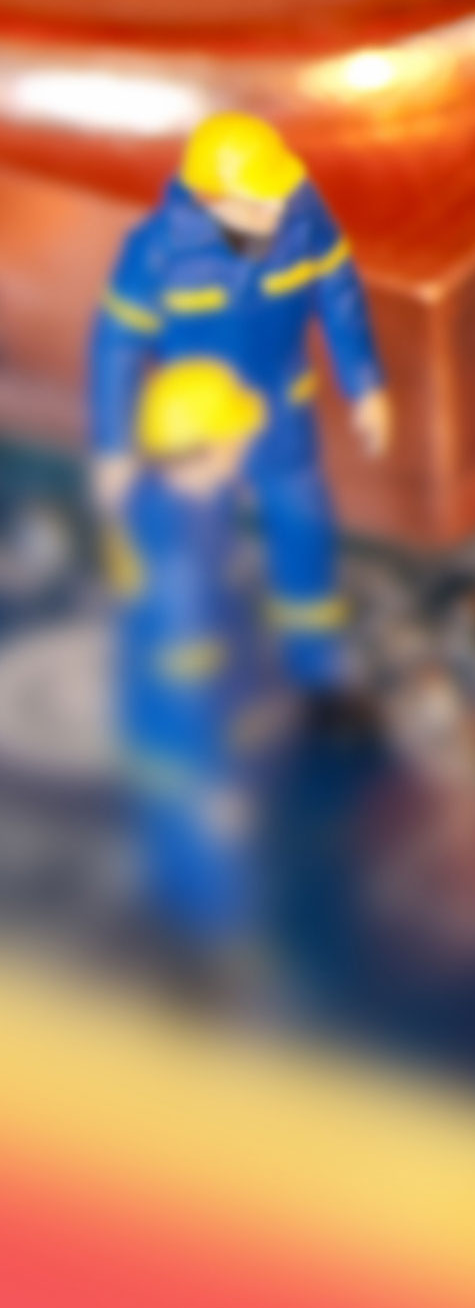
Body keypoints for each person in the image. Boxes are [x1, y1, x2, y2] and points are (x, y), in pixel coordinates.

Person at [89, 113, 387, 726]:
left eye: (278, 195)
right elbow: (116, 345)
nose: (276, 212)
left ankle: (320, 675)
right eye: (257, 202)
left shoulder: (301, 215)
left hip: (280, 411)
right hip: (200, 434)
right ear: (210, 198)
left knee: (304, 535)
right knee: (194, 552)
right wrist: (114, 445)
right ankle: (201, 688)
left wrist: (365, 385)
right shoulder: (158, 252)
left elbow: (339, 292)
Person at [112, 356, 276, 970]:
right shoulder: (180, 560)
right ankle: (214, 971)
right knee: (214, 882)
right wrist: (216, 781)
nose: (245, 444)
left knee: (183, 865)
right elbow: (188, 678)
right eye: (235, 437)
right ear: (207, 450)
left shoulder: (166, 503)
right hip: (189, 752)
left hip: (171, 734)